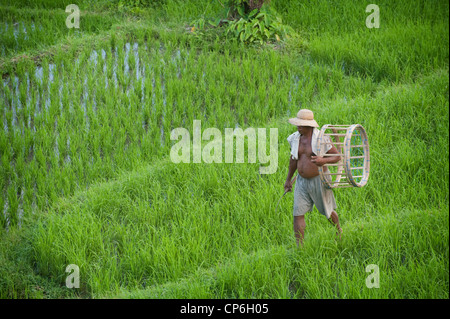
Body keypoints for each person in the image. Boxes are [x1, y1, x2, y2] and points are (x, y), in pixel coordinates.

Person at [284, 109, 342, 246]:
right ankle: (300, 247)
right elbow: (293, 160)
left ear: (309, 126)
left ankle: (338, 230)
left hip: (319, 179)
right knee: (298, 213)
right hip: (301, 181)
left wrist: (323, 161)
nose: (298, 126)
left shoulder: (321, 139)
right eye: (297, 124)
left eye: (301, 124)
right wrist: (288, 180)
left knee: (327, 211)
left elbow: (337, 156)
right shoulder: (295, 138)